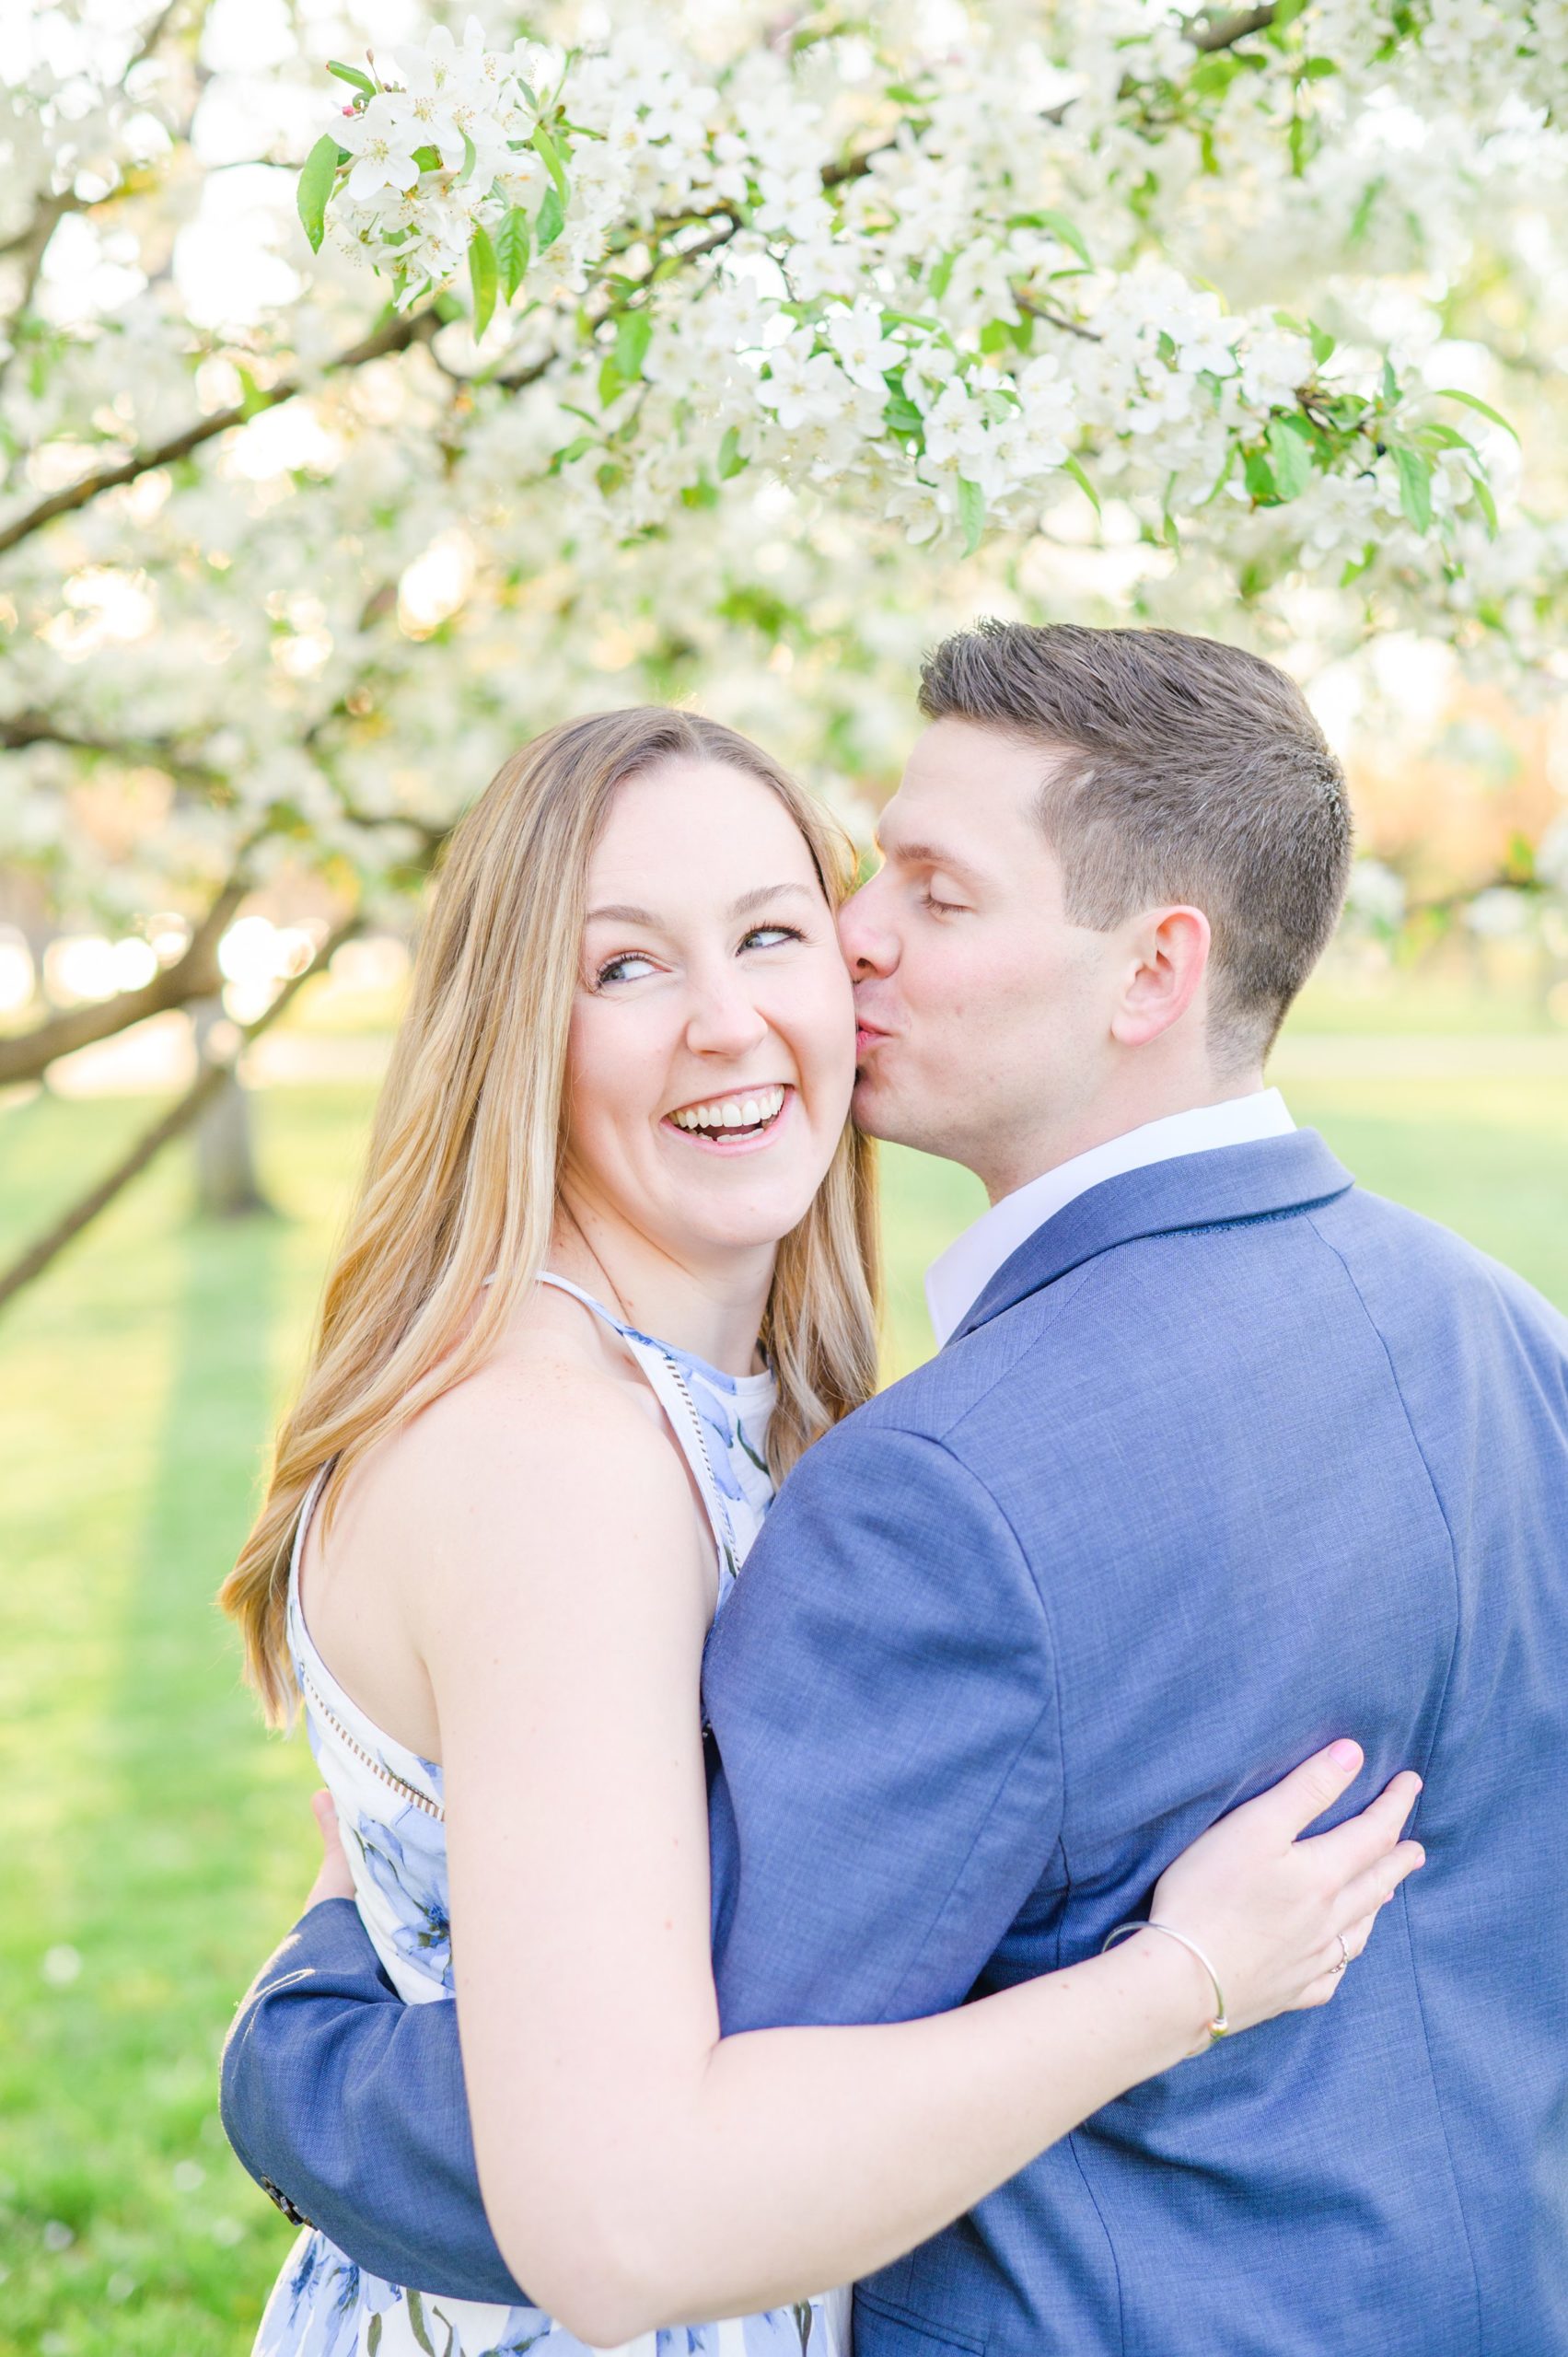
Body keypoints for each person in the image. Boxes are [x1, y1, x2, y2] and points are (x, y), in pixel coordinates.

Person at [223, 625, 1568, 2354]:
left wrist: (308, 2047)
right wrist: (1184, 1980)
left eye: (909, 898)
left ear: (1153, 973)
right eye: (622, 967)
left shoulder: (915, 1473)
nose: (830, 963)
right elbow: (637, 2182)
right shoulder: (1506, 1335)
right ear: (511, 1025)